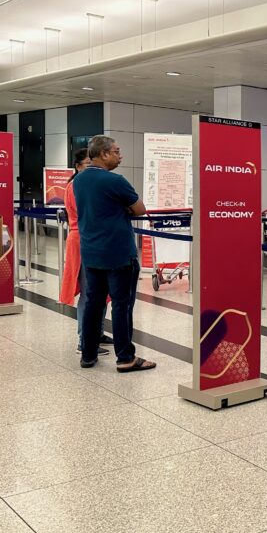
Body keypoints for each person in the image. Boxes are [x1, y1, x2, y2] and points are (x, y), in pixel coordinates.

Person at [72, 135, 155, 372]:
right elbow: (139, 209)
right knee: (121, 305)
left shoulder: (79, 180)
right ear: (104, 154)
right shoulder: (116, 181)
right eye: (117, 151)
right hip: (118, 254)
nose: (121, 155)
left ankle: (88, 355)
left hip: (92, 253)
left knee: (93, 305)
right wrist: (123, 207)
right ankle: (125, 358)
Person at [58, 149, 109, 357]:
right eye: (88, 163)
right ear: (78, 166)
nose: (92, 167)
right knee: (90, 294)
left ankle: (97, 333)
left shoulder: (86, 184)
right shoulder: (76, 186)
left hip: (96, 240)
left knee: (101, 291)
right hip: (83, 241)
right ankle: (84, 339)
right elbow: (89, 213)